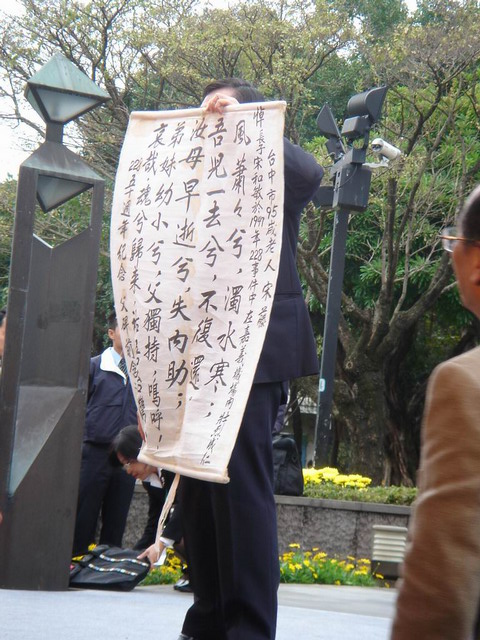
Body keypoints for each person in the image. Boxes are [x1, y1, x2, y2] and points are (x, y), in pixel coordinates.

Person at [173, 78, 324, 640]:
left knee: (241, 489)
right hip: (195, 358)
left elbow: (311, 173)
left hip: (253, 355)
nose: (212, 121)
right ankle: (208, 618)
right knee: (199, 495)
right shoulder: (193, 184)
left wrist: (244, 123)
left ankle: (249, 629)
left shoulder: (272, 179)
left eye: (224, 112)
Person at [390, 184, 480, 639]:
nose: (451, 254)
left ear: (476, 262)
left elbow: (439, 591)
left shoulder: (466, 384)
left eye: (453, 242)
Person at [72, 312, 138, 556]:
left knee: (116, 519)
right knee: (84, 515)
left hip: (127, 459)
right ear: (111, 333)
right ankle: (75, 563)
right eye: (124, 328)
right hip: (94, 453)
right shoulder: (94, 366)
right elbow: (79, 408)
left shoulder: (140, 372)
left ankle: (109, 566)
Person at [110, 424, 188, 586]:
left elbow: (185, 508)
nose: (128, 471)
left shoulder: (172, 465)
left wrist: (161, 544)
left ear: (142, 451)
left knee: (181, 535)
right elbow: (155, 523)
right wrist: (133, 558)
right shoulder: (150, 481)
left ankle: (199, 576)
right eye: (124, 466)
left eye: (129, 463)